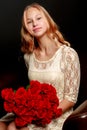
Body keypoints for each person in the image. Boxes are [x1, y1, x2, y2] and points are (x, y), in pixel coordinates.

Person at [0, 2, 80, 130]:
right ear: (26, 27)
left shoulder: (68, 54)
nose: (35, 24)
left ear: (47, 20)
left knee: (12, 127)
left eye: (38, 18)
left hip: (58, 114)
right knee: (3, 124)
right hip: (34, 112)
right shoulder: (29, 56)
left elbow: (71, 99)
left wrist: (44, 114)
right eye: (29, 21)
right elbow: (32, 89)